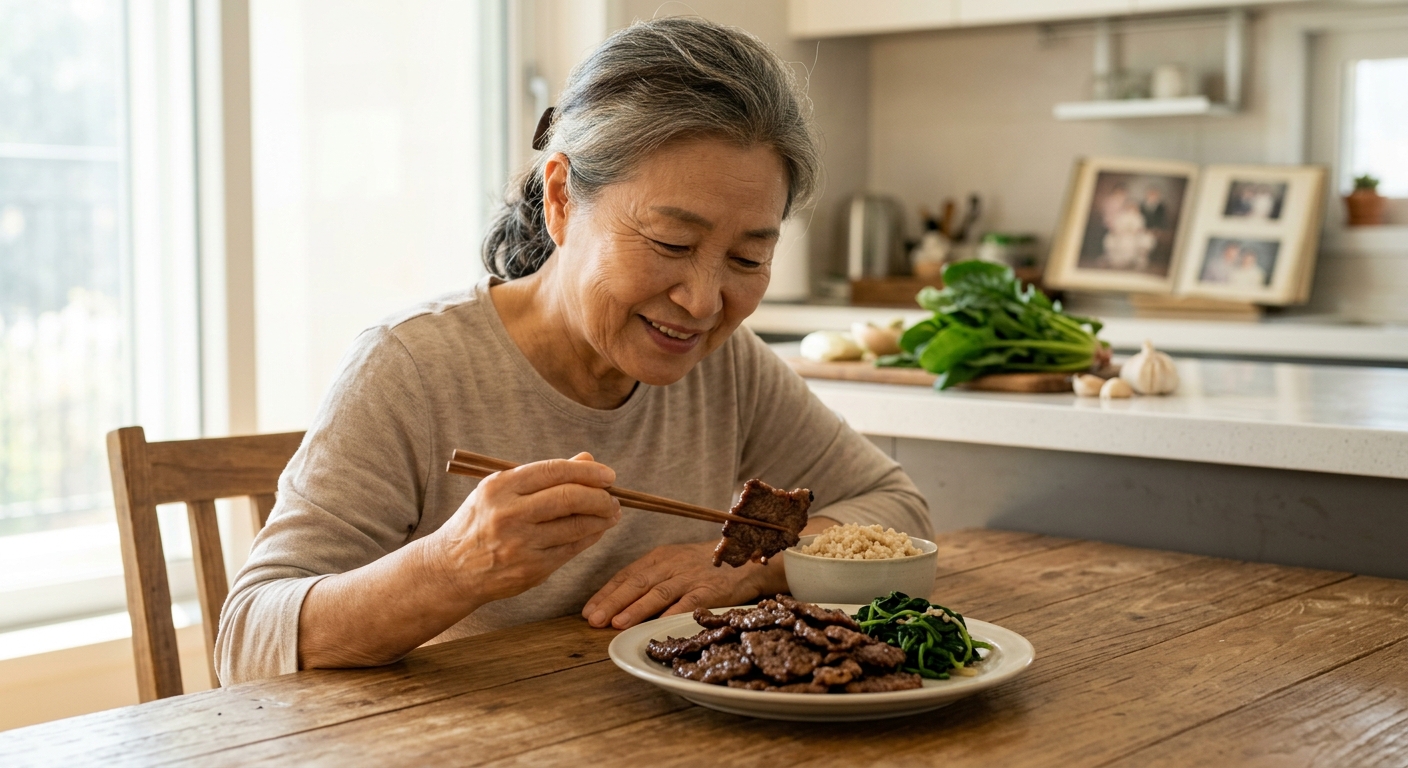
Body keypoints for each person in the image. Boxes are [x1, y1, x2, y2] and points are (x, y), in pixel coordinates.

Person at [215, 17, 930, 684]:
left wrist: (753, 570)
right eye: (671, 244)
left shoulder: (725, 365)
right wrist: (453, 566)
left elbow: (899, 507)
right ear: (560, 199)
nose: (704, 301)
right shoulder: (410, 368)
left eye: (747, 258)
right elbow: (247, 643)